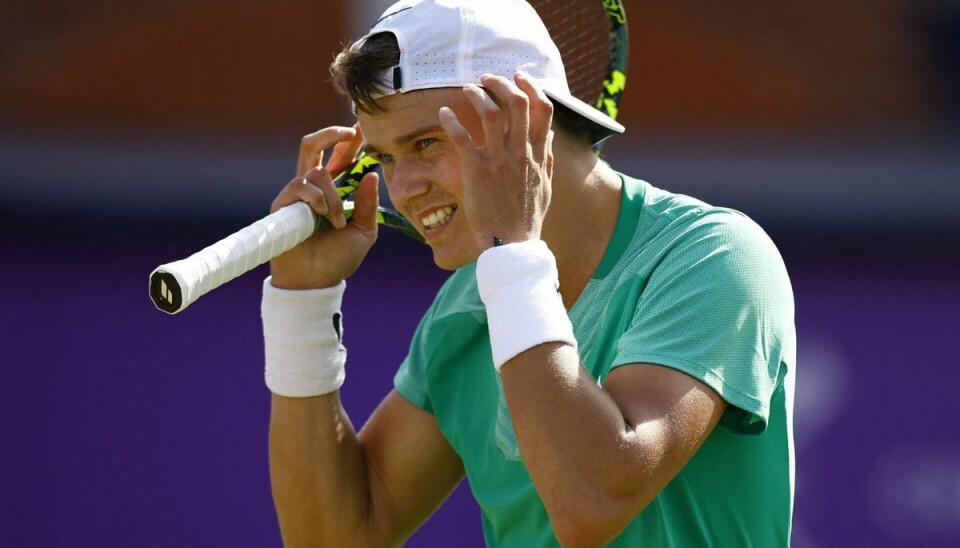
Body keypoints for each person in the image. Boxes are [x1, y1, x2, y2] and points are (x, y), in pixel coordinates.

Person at [261, 0, 796, 546]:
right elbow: (335, 537)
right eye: (388, 159)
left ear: (527, 116)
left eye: (426, 143)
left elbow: (592, 501)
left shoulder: (716, 256)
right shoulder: (468, 304)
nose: (403, 189)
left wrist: (511, 251)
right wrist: (303, 301)